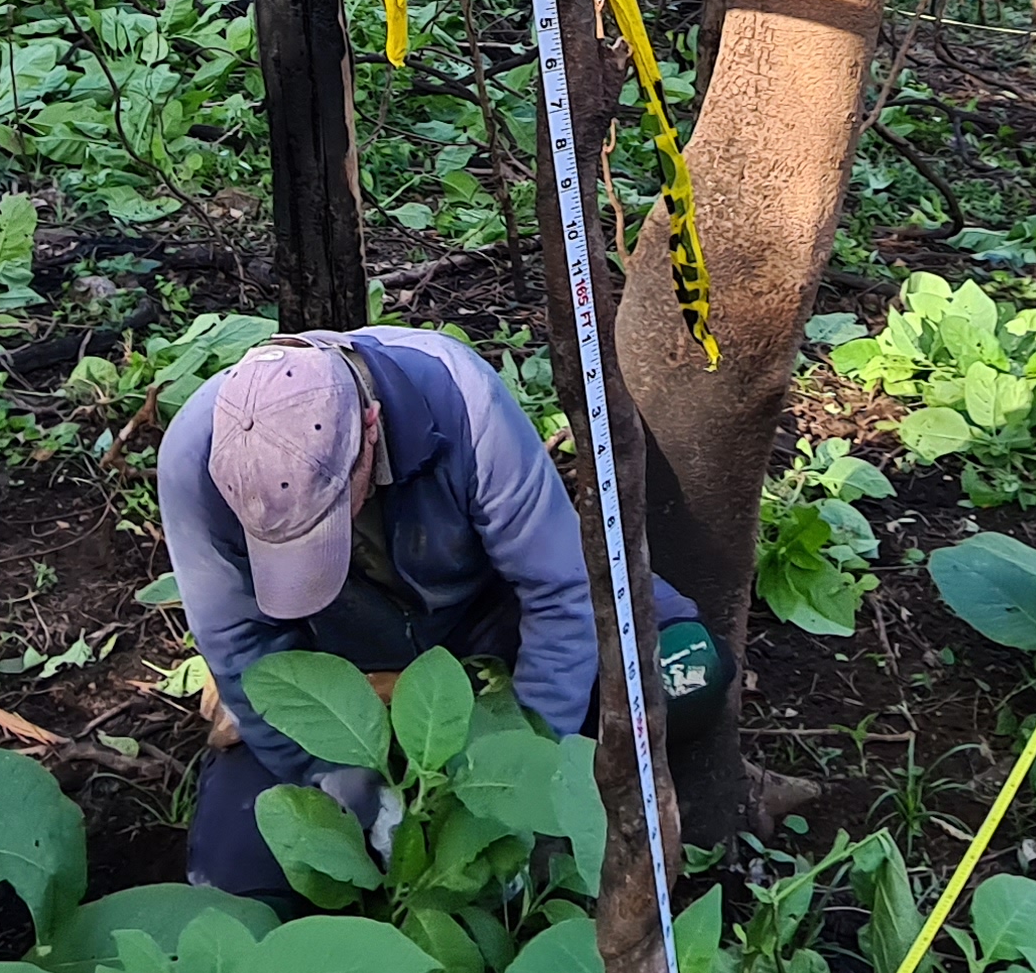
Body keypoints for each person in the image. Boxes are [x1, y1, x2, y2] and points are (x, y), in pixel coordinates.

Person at [159, 325, 719, 898]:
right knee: (235, 879)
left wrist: (519, 776)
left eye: (324, 524)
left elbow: (561, 594)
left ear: (371, 431)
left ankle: (563, 804)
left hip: (492, 620)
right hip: (344, 663)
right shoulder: (194, 458)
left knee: (685, 672)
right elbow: (245, 654)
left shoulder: (461, 400)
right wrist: (333, 781)